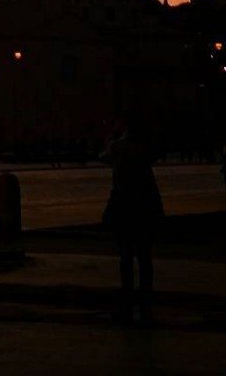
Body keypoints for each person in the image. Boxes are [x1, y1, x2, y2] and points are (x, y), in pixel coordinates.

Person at [100, 115, 164, 326]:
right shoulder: (145, 149)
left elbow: (104, 156)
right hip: (144, 208)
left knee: (126, 258)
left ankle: (127, 303)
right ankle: (146, 303)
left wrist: (111, 135)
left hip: (124, 208)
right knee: (145, 259)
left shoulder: (118, 147)